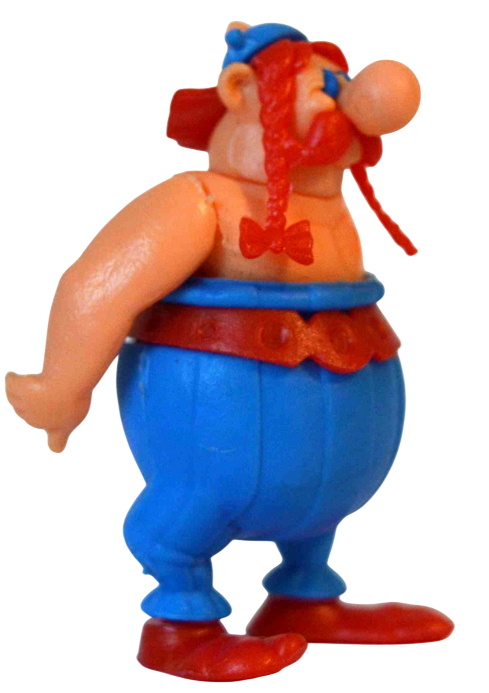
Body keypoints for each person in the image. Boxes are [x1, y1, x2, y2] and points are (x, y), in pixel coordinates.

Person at [4, 21, 454, 683]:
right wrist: (63, 386)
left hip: (341, 383)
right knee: (195, 504)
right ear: (243, 92)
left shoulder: (329, 208)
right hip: (211, 401)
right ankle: (178, 625)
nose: (352, 106)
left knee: (317, 504)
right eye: (326, 90)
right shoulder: (200, 201)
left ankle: (304, 597)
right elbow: (98, 284)